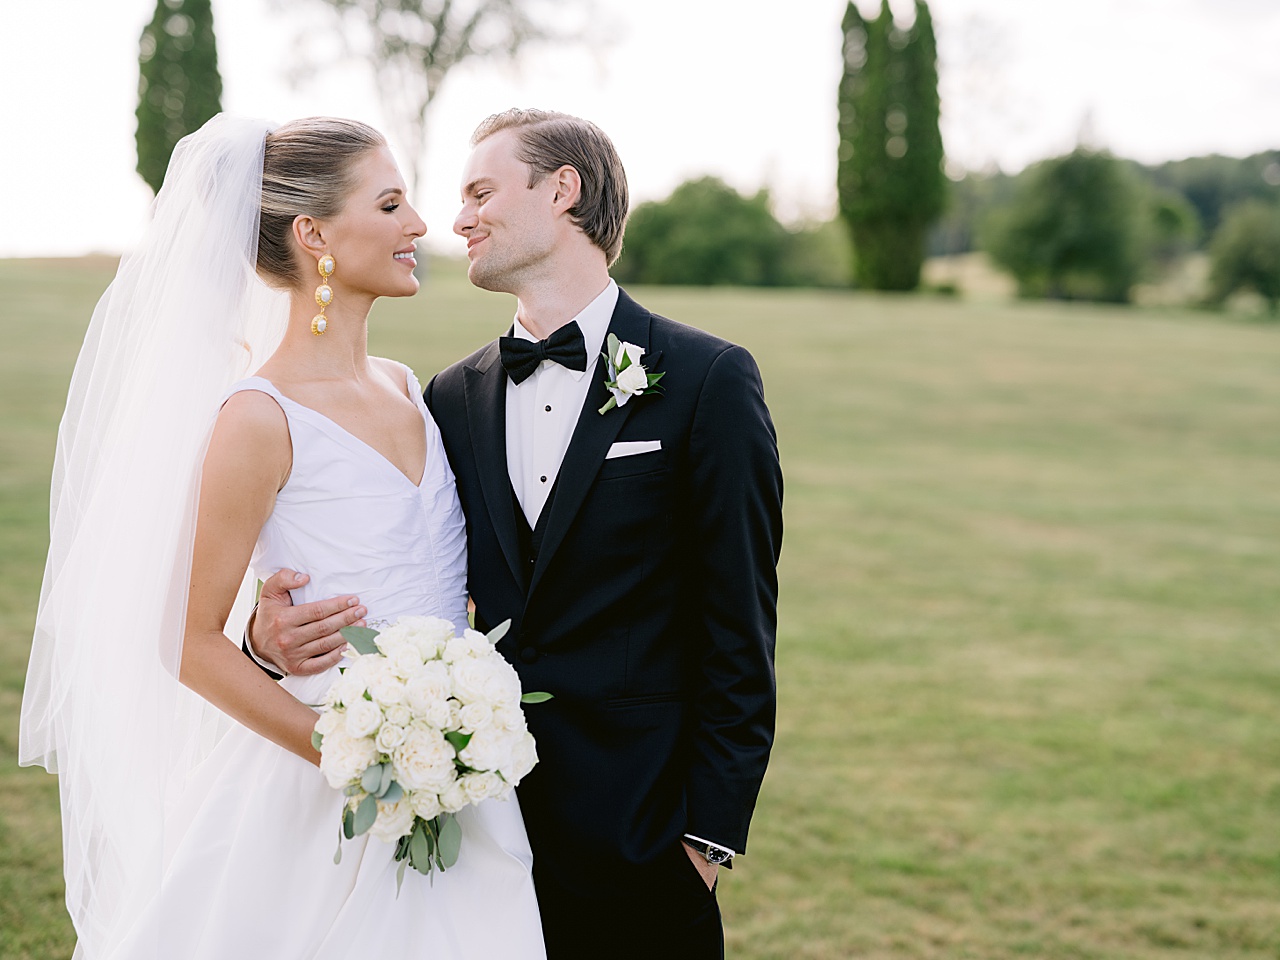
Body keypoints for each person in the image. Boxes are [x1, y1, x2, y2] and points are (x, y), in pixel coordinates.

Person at [248, 108, 784, 959]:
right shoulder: (447, 399)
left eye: (480, 191)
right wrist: (264, 636)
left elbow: (741, 629)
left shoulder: (707, 379)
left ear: (561, 191)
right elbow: (401, 568)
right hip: (469, 830)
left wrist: (704, 843)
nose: (454, 220)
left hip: (643, 843)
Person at [19, 114, 545, 959]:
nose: (420, 225)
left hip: (458, 769)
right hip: (326, 789)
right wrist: (365, 758)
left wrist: (446, 743)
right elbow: (188, 644)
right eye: (391, 203)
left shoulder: (412, 390)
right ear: (314, 235)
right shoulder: (258, 418)